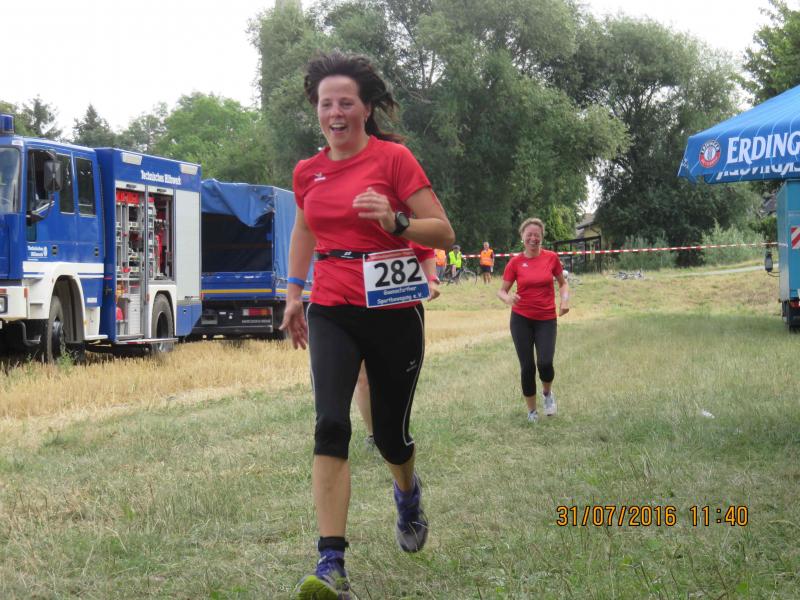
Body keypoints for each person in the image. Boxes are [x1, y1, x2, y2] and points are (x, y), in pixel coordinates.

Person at [280, 51, 455, 599]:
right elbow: (305, 230)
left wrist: (397, 221)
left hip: (393, 309)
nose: (335, 112)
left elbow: (443, 232)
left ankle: (407, 493)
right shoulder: (307, 172)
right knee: (331, 424)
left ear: (365, 109)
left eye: (345, 103)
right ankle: (331, 563)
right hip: (332, 306)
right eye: (325, 103)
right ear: (317, 110)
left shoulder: (394, 159)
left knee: (391, 437)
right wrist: (294, 292)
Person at [355, 244, 441, 449]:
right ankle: (373, 435)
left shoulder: (400, 226)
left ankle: (396, 430)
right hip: (356, 305)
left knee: (396, 375)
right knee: (363, 377)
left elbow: (425, 251)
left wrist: (432, 279)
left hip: (399, 307)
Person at [496, 218, 569, 423]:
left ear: (542, 237)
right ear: (522, 237)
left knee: (545, 363)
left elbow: (563, 284)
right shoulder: (515, 262)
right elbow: (501, 291)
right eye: (529, 234)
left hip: (546, 319)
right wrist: (508, 299)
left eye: (537, 235)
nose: (533, 238)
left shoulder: (551, 258)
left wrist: (564, 300)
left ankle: (547, 394)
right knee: (527, 367)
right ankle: (532, 411)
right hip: (521, 319)